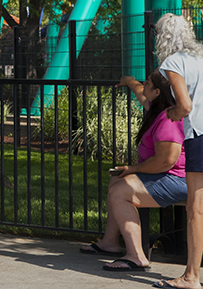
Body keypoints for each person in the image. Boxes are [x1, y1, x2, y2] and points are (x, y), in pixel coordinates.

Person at [79, 71, 186, 271]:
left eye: (147, 84)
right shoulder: (157, 107)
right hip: (166, 175)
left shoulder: (168, 118)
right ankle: (109, 243)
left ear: (156, 92)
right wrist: (128, 81)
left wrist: (133, 169)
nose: (143, 87)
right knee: (116, 181)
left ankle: (136, 256)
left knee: (120, 191)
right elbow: (140, 93)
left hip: (177, 180)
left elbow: (166, 161)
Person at [154, 13, 203, 289]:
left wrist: (173, 113)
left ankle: (192, 277)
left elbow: (186, 105)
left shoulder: (173, 62)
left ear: (160, 38)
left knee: (197, 208)